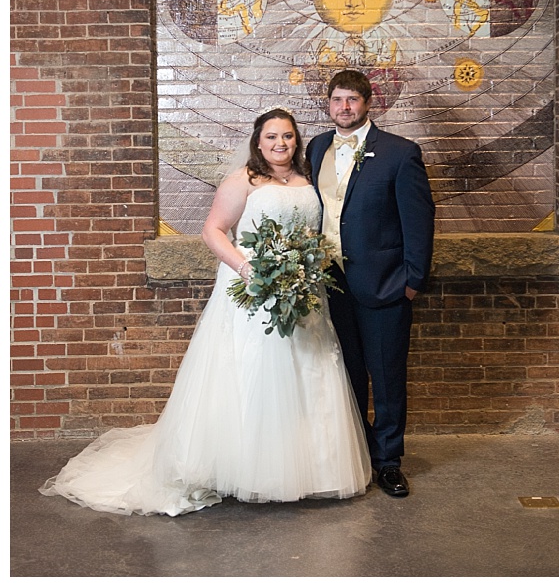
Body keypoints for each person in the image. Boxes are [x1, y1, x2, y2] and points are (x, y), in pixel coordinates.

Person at [40, 109, 371, 515]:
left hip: (303, 291)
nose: (280, 144)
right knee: (257, 370)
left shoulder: (305, 180)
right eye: (271, 137)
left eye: (287, 136)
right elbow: (213, 229)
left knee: (310, 369)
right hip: (255, 288)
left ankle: (313, 470)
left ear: (296, 141)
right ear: (257, 140)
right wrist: (249, 269)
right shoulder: (243, 180)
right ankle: (250, 468)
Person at [307, 69, 435, 498]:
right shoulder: (317, 147)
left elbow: (419, 221)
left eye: (353, 100)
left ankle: (388, 461)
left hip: (384, 285)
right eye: (338, 100)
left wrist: (413, 280)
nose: (345, 107)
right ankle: (357, 454)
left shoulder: (400, 153)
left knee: (386, 376)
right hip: (331, 285)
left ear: (368, 103)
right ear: (329, 104)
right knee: (347, 375)